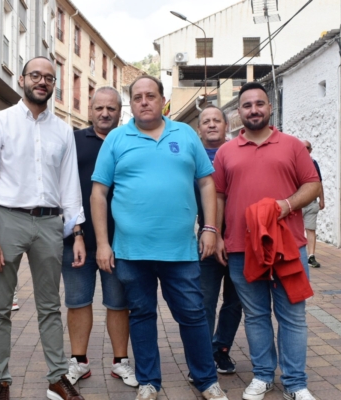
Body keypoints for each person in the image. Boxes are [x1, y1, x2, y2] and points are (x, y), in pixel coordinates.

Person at [91, 75, 228, 400]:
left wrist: (210, 228)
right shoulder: (116, 139)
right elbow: (99, 193)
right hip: (131, 251)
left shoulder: (185, 134)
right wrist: (102, 243)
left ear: (162, 100)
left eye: (150, 96)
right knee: (141, 314)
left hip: (180, 250)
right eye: (137, 97)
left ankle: (206, 379)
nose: (144, 101)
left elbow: (207, 183)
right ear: (131, 103)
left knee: (193, 314)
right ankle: (149, 380)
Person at [0, 56, 85, 400]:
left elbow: (70, 185)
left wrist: (77, 232)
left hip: (50, 223)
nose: (42, 82)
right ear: (22, 79)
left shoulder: (63, 130)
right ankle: (1, 380)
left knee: (50, 305)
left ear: (54, 85)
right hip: (8, 218)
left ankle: (56, 375)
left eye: (49, 78)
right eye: (36, 75)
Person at [212, 82, 321, 400]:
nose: (254, 110)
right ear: (238, 113)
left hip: (289, 246)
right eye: (247, 105)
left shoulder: (292, 146)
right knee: (256, 314)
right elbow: (218, 196)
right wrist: (217, 234)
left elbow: (312, 184)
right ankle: (262, 376)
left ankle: (296, 382)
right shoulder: (225, 152)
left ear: (270, 108)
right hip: (241, 248)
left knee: (293, 315)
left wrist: (285, 205)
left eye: (260, 103)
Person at [62, 87, 137, 388]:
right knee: (78, 301)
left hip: (120, 241)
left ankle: (121, 363)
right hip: (76, 241)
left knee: (119, 304)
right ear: (89, 110)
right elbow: (62, 188)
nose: (105, 113)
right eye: (99, 108)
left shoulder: (130, 140)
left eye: (112, 108)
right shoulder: (74, 141)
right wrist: (75, 230)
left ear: (121, 111)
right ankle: (78, 362)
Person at [194, 106, 242, 376]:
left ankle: (220, 349)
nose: (211, 125)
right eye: (206, 121)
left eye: (216, 121)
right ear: (199, 128)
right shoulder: (192, 156)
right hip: (206, 241)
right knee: (204, 302)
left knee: (235, 301)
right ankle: (201, 360)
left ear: (227, 125)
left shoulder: (238, 152)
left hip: (239, 242)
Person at [301, 140, 325, 269]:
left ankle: (311, 256)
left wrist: (322, 199)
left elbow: (319, 182)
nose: (304, 150)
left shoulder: (314, 163)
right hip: (297, 203)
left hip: (311, 203)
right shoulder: (293, 162)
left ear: (311, 150)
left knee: (310, 229)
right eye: (302, 147)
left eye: (307, 148)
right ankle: (297, 256)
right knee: (296, 230)